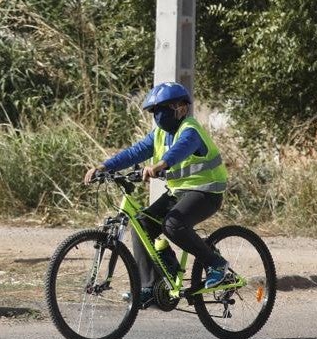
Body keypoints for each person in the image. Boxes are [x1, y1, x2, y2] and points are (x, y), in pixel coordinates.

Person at [82, 81, 232, 308]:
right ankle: (151, 286)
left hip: (206, 191)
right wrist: (104, 167)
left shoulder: (190, 130)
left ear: (181, 107)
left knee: (173, 224)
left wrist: (161, 164)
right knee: (142, 224)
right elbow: (135, 151)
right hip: (179, 192)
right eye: (154, 111)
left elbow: (181, 148)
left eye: (163, 109)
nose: (158, 115)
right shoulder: (160, 134)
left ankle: (216, 264)